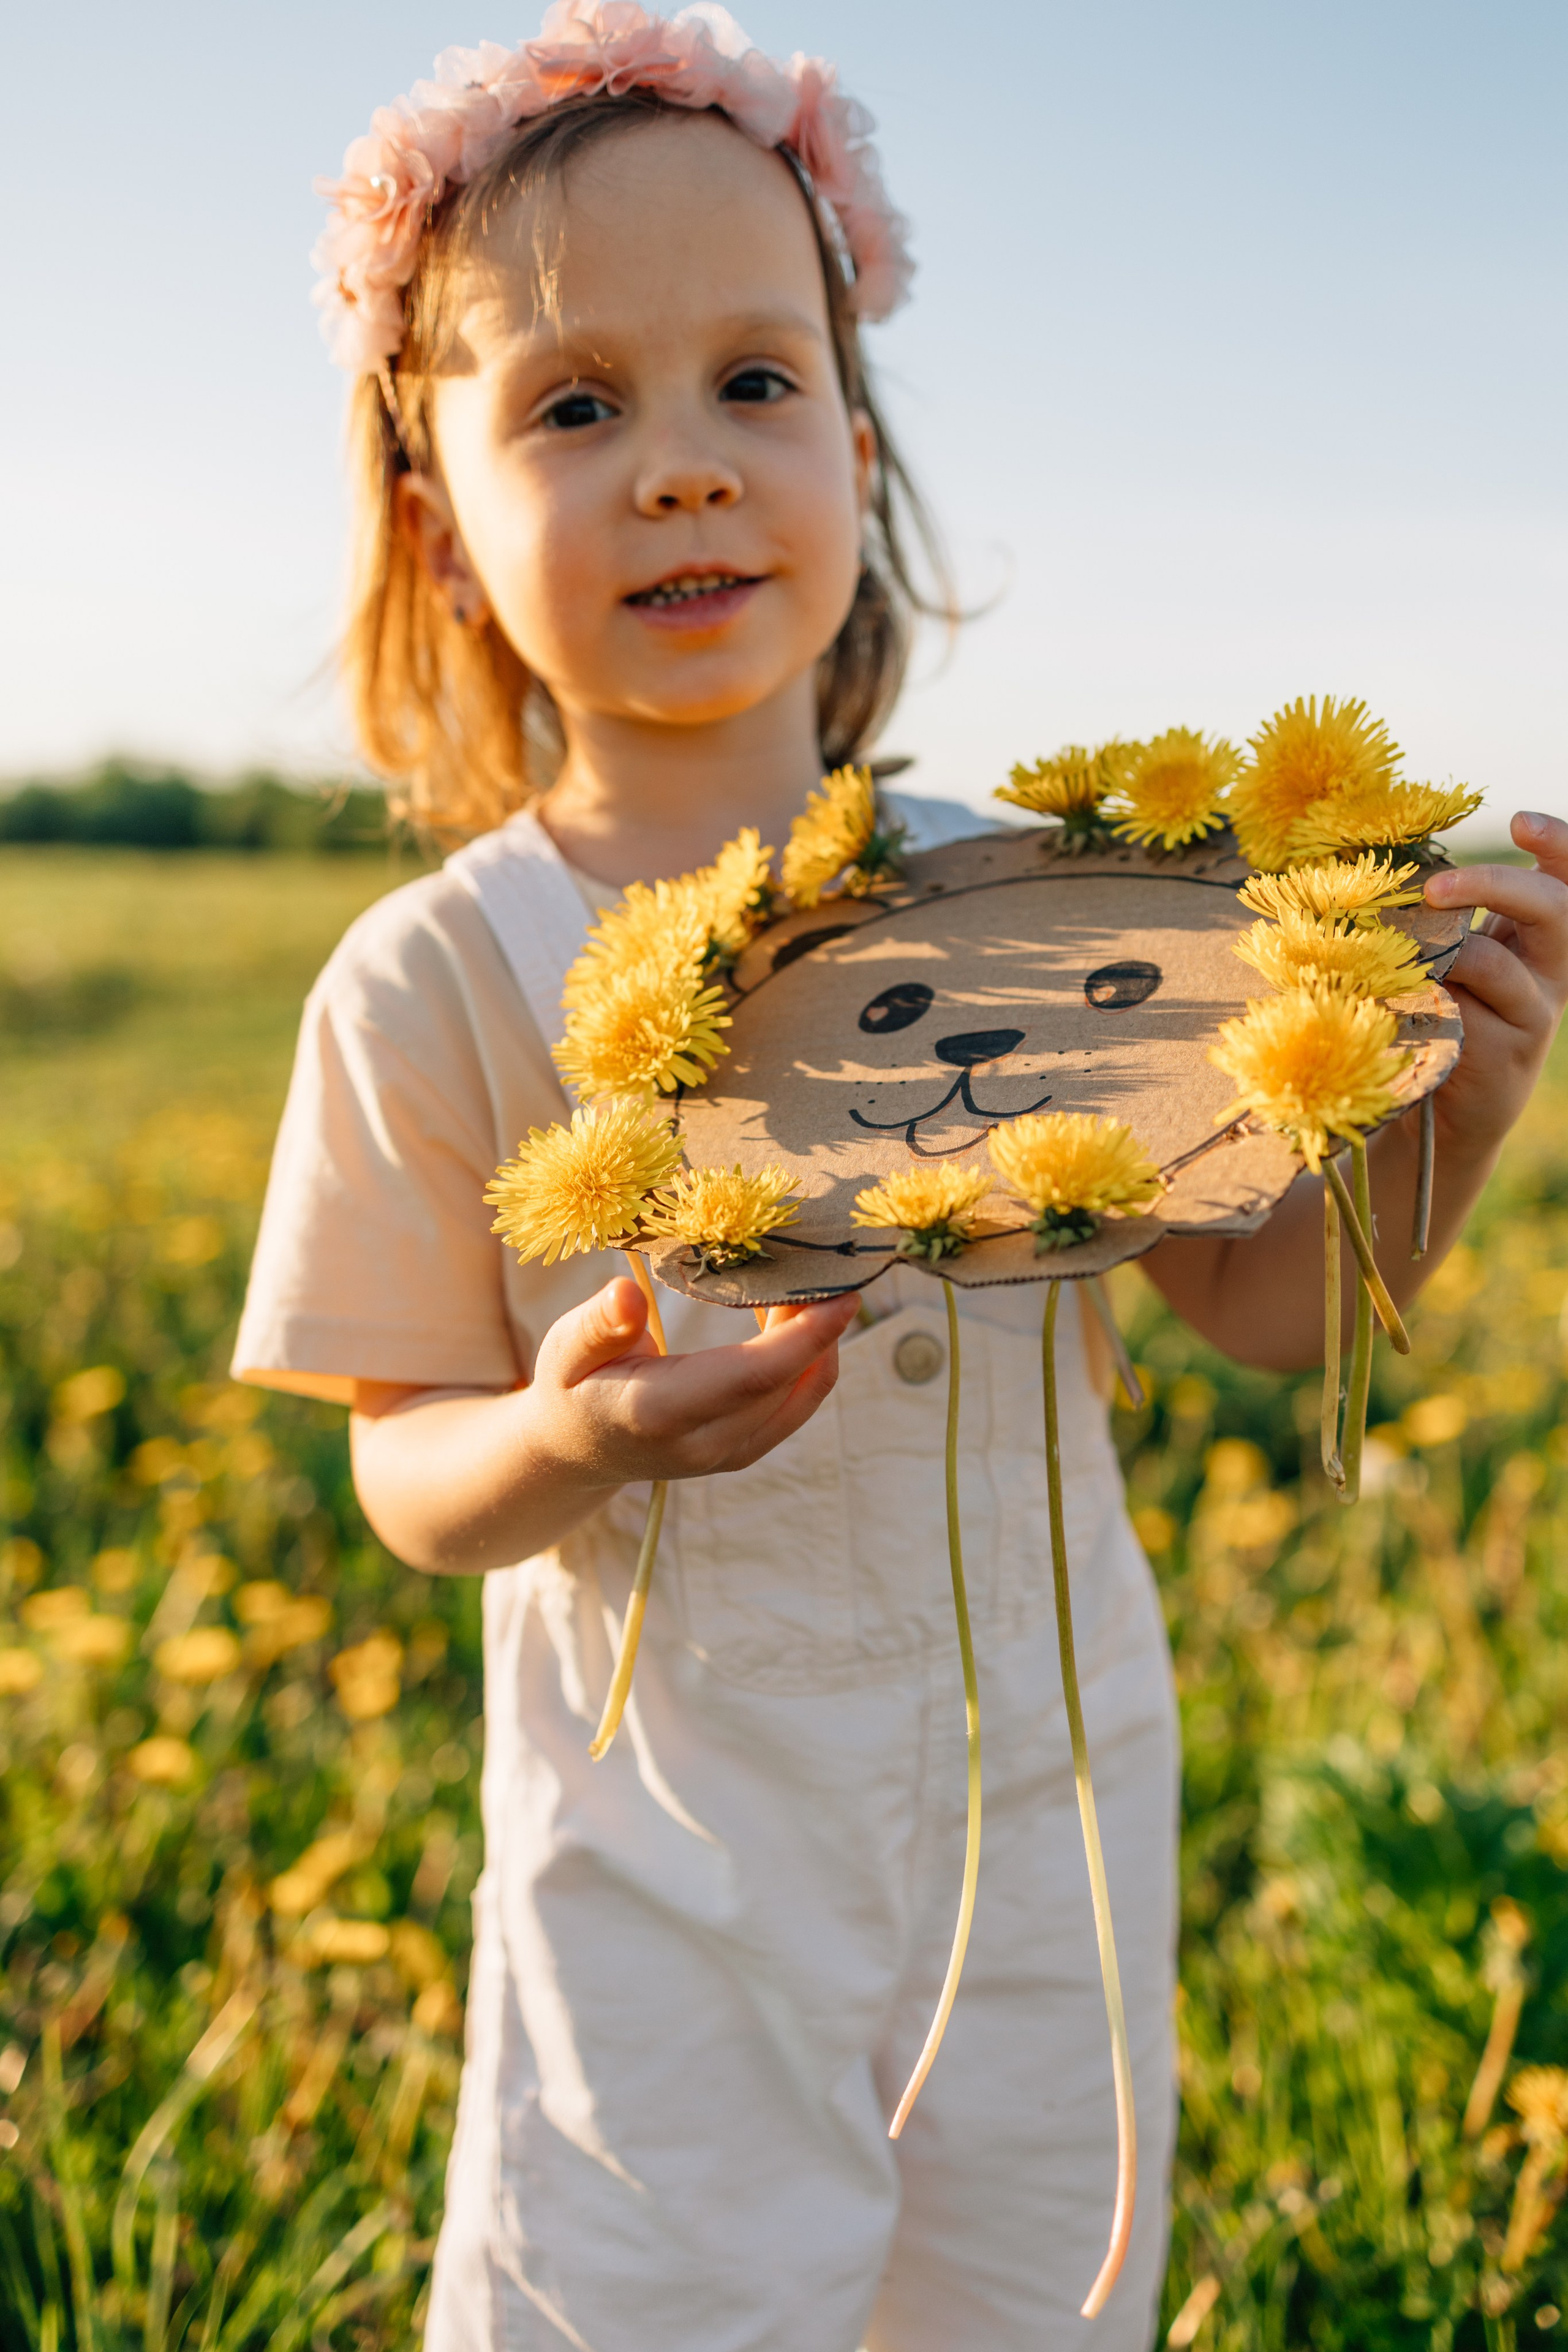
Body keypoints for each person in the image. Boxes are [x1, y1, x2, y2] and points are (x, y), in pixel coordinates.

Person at [233, 7, 1568, 2345]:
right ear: (437, 519)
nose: (684, 470)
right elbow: (403, 1479)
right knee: (646, 2298)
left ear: (855, 452)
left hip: (1046, 1814)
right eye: (575, 404)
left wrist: (1439, 1113)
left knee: (1033, 2291)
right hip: (673, 1869)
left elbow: (1256, 1314)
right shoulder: (435, 973)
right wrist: (559, 1431)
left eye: (756, 383)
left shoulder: (1031, 901)